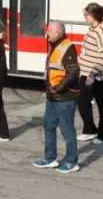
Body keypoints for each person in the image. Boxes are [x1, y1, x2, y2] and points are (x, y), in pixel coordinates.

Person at [33, 21, 80, 174]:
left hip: (64, 97)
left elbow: (73, 72)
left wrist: (58, 88)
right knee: (48, 125)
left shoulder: (67, 48)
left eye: (49, 31)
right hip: (53, 97)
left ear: (57, 33)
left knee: (67, 130)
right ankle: (50, 158)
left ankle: (72, 162)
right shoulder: (55, 46)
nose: (47, 33)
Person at [77, 5, 103, 145]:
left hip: (100, 76)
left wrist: (93, 74)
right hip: (86, 72)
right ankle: (90, 130)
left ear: (94, 16)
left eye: (86, 14)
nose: (85, 16)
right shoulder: (91, 29)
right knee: (82, 102)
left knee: (102, 104)